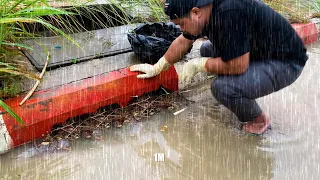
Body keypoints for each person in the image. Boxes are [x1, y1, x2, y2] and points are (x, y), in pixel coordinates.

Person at [129, 0, 308, 135]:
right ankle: (236, 87)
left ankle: (259, 121)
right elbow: (183, 41)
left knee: (222, 88)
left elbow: (238, 65)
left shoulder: (228, 13)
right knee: (207, 49)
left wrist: (199, 65)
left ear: (196, 12)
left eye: (182, 23)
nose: (182, 28)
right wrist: (158, 66)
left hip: (285, 61)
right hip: (258, 49)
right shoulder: (205, 8)